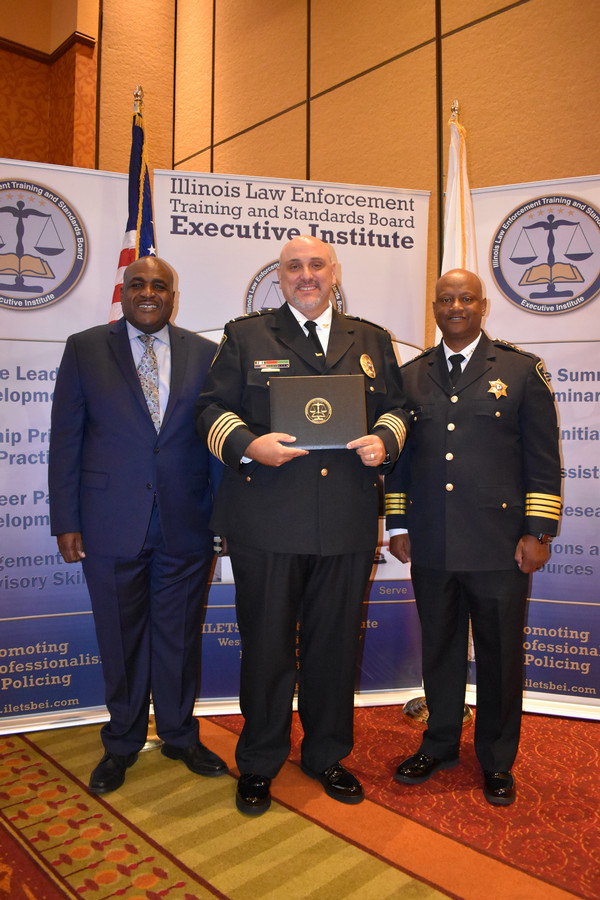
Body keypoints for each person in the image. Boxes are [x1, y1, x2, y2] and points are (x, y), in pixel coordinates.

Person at [195, 235, 409, 815]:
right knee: (266, 648)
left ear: (334, 273)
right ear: (280, 277)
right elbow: (210, 409)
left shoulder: (370, 339)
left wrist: (384, 439)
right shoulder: (246, 336)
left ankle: (326, 754)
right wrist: (247, 444)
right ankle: (260, 762)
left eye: (316, 265)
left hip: (344, 519)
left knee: (334, 646)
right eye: (294, 267)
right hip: (266, 521)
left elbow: (397, 407)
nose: (306, 275)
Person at [49, 256, 227, 794]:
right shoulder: (85, 348)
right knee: (120, 639)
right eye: (137, 284)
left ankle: (178, 734)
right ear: (123, 291)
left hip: (185, 523)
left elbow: (215, 443)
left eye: (159, 285)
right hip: (108, 524)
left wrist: (220, 519)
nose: (148, 292)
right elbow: (66, 440)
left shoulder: (205, 353)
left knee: (177, 638)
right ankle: (121, 742)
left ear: (173, 294)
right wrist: (66, 520)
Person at [385, 268, 562, 806]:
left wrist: (538, 531)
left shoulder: (520, 370)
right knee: (437, 649)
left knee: (500, 654)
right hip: (432, 541)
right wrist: (398, 522)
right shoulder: (411, 375)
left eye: (466, 298)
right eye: (446, 299)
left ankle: (496, 760)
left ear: (482, 306)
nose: (456, 306)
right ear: (434, 309)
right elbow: (401, 459)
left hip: (498, 543)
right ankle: (439, 743)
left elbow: (542, 460)